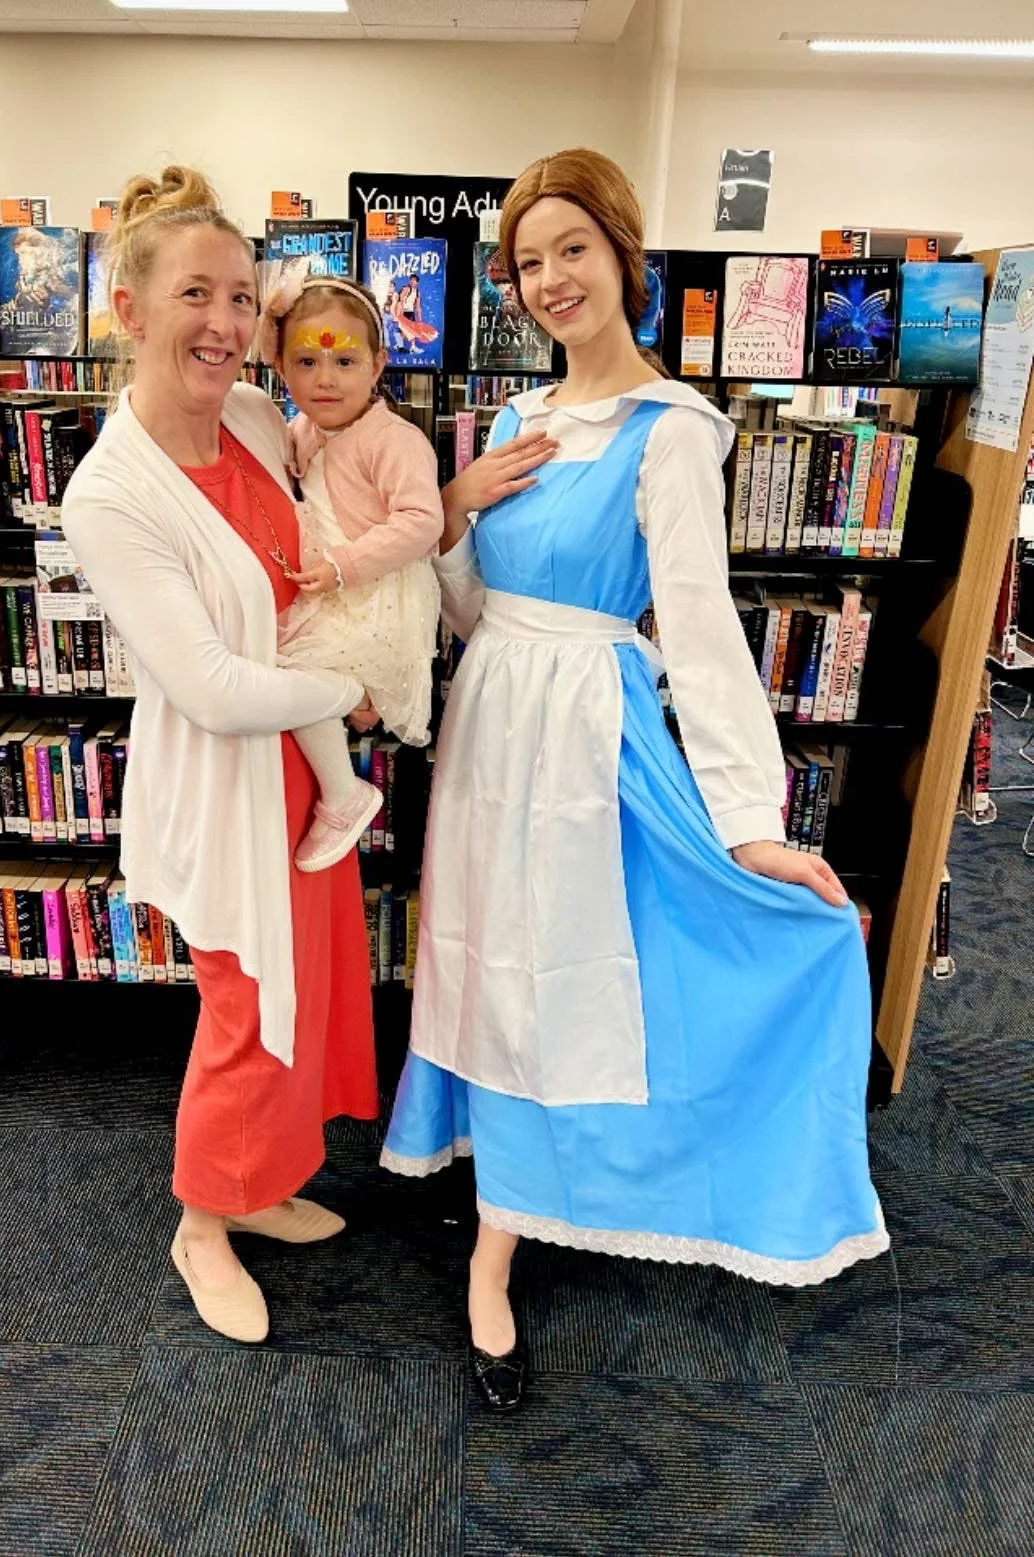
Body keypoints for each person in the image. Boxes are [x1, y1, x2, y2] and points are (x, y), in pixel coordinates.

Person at [381, 147, 889, 1412]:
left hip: (583, 733)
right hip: (492, 715)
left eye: (573, 249)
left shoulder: (673, 432)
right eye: (528, 262)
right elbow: (473, 608)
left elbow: (704, 633)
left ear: (622, 254)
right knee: (489, 954)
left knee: (574, 962)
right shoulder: (513, 423)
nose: (551, 279)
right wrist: (451, 512)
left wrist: (752, 823)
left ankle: (514, 1233)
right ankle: (503, 1200)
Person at [61, 166, 379, 1344]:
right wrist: (350, 691)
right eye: (195, 294)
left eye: (242, 298)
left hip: (301, 772)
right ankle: (202, 1222)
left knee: (307, 990)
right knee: (245, 1007)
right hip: (226, 774)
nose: (225, 324)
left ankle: (260, 1182)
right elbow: (208, 685)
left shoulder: (250, 414)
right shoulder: (110, 494)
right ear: (129, 309)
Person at [254, 264, 443, 872]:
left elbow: (423, 521)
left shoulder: (394, 440)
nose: (326, 379)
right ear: (280, 367)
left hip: (373, 590)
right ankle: (359, 702)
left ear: (378, 364)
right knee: (287, 661)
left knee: (291, 668)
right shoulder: (299, 429)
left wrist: (344, 565)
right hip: (330, 584)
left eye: (345, 361)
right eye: (306, 362)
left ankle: (343, 793)